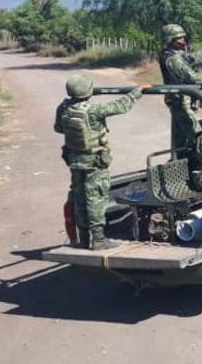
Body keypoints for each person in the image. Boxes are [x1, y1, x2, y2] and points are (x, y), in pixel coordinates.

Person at [54, 75, 151, 250]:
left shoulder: (64, 107)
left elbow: (58, 128)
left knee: (80, 197)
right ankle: (98, 239)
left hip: (75, 161)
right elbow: (121, 106)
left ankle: (83, 239)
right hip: (94, 162)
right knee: (95, 198)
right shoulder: (94, 109)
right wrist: (137, 91)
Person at [159, 23, 202, 153]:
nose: (182, 40)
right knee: (197, 136)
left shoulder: (175, 54)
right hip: (180, 102)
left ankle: (180, 164)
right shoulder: (173, 59)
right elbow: (194, 78)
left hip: (179, 100)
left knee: (180, 140)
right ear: (170, 40)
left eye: (182, 37)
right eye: (178, 38)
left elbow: (191, 57)